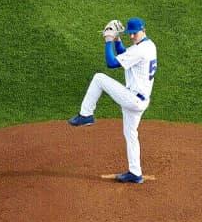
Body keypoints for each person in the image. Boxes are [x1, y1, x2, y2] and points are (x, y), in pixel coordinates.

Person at [68, 17, 158, 183]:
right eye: (129, 34)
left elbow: (111, 63)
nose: (131, 37)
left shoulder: (140, 50)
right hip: (139, 100)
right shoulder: (149, 46)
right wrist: (117, 40)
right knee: (131, 134)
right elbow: (126, 55)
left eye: (134, 34)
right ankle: (135, 173)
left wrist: (108, 41)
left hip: (133, 99)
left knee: (99, 78)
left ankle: (86, 114)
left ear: (143, 29)